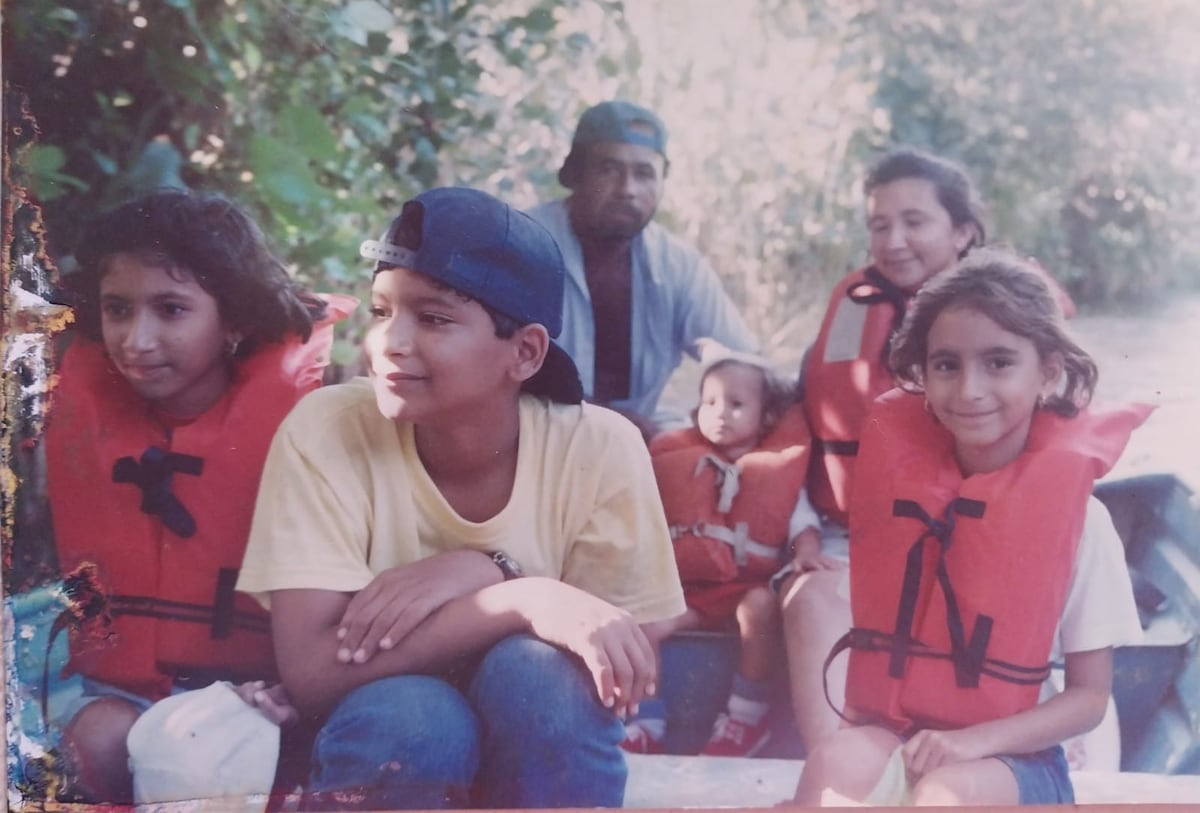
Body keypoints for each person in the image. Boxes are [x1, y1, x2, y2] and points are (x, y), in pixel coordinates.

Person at [236, 187, 686, 810]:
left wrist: (487, 581)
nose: (390, 342)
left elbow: (619, 646)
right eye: (381, 310)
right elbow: (312, 676)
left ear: (525, 352)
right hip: (383, 730)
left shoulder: (599, 446)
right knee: (415, 716)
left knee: (542, 679)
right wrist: (514, 594)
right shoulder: (328, 429)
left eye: (435, 318)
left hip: (533, 732)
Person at [793, 250, 1148, 806]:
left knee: (947, 796)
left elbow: (1088, 699)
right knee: (834, 764)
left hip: (1011, 758)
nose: (969, 390)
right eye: (947, 365)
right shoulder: (896, 495)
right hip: (896, 733)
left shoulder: (1084, 522)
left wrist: (971, 743)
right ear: (922, 375)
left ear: (1048, 372)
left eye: (999, 363)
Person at [43, 189, 354, 803]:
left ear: (233, 318)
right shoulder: (67, 402)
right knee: (94, 743)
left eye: (171, 309)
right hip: (118, 691)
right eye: (118, 309)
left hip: (261, 692)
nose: (137, 339)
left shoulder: (316, 421)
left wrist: (290, 691)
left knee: (202, 755)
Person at [779, 148, 987, 751]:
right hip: (852, 537)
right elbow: (810, 427)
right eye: (878, 225)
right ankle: (842, 777)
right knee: (811, 598)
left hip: (970, 534)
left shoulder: (1005, 321)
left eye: (915, 221)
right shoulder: (854, 309)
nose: (893, 241)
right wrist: (802, 533)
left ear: (963, 231)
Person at [621, 340, 826, 758]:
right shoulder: (683, 456)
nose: (719, 413)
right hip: (694, 593)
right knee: (647, 622)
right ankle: (648, 719)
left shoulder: (777, 466)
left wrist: (806, 551)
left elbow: (801, 520)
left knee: (759, 609)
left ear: (765, 416)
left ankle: (744, 721)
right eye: (709, 402)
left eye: (735, 404)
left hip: (747, 587)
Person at [527, 101, 757, 433]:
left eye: (644, 173)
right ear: (572, 173)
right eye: (608, 169)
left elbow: (744, 363)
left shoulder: (677, 265)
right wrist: (618, 427)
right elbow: (488, 373)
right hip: (527, 442)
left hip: (631, 448)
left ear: (663, 180)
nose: (627, 190)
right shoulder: (523, 245)